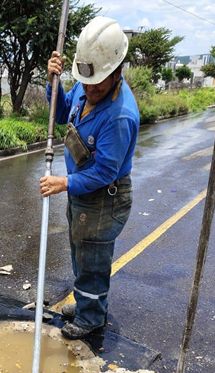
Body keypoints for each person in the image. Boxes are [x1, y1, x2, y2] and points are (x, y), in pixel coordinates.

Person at [41, 16, 140, 340]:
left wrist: (64, 183)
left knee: (93, 261)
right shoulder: (86, 90)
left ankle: (91, 318)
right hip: (83, 193)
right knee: (81, 254)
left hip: (103, 197)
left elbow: (105, 172)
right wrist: (54, 83)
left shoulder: (119, 116)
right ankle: (87, 304)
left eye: (97, 83)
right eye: (85, 81)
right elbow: (61, 112)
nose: (90, 89)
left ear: (117, 72)